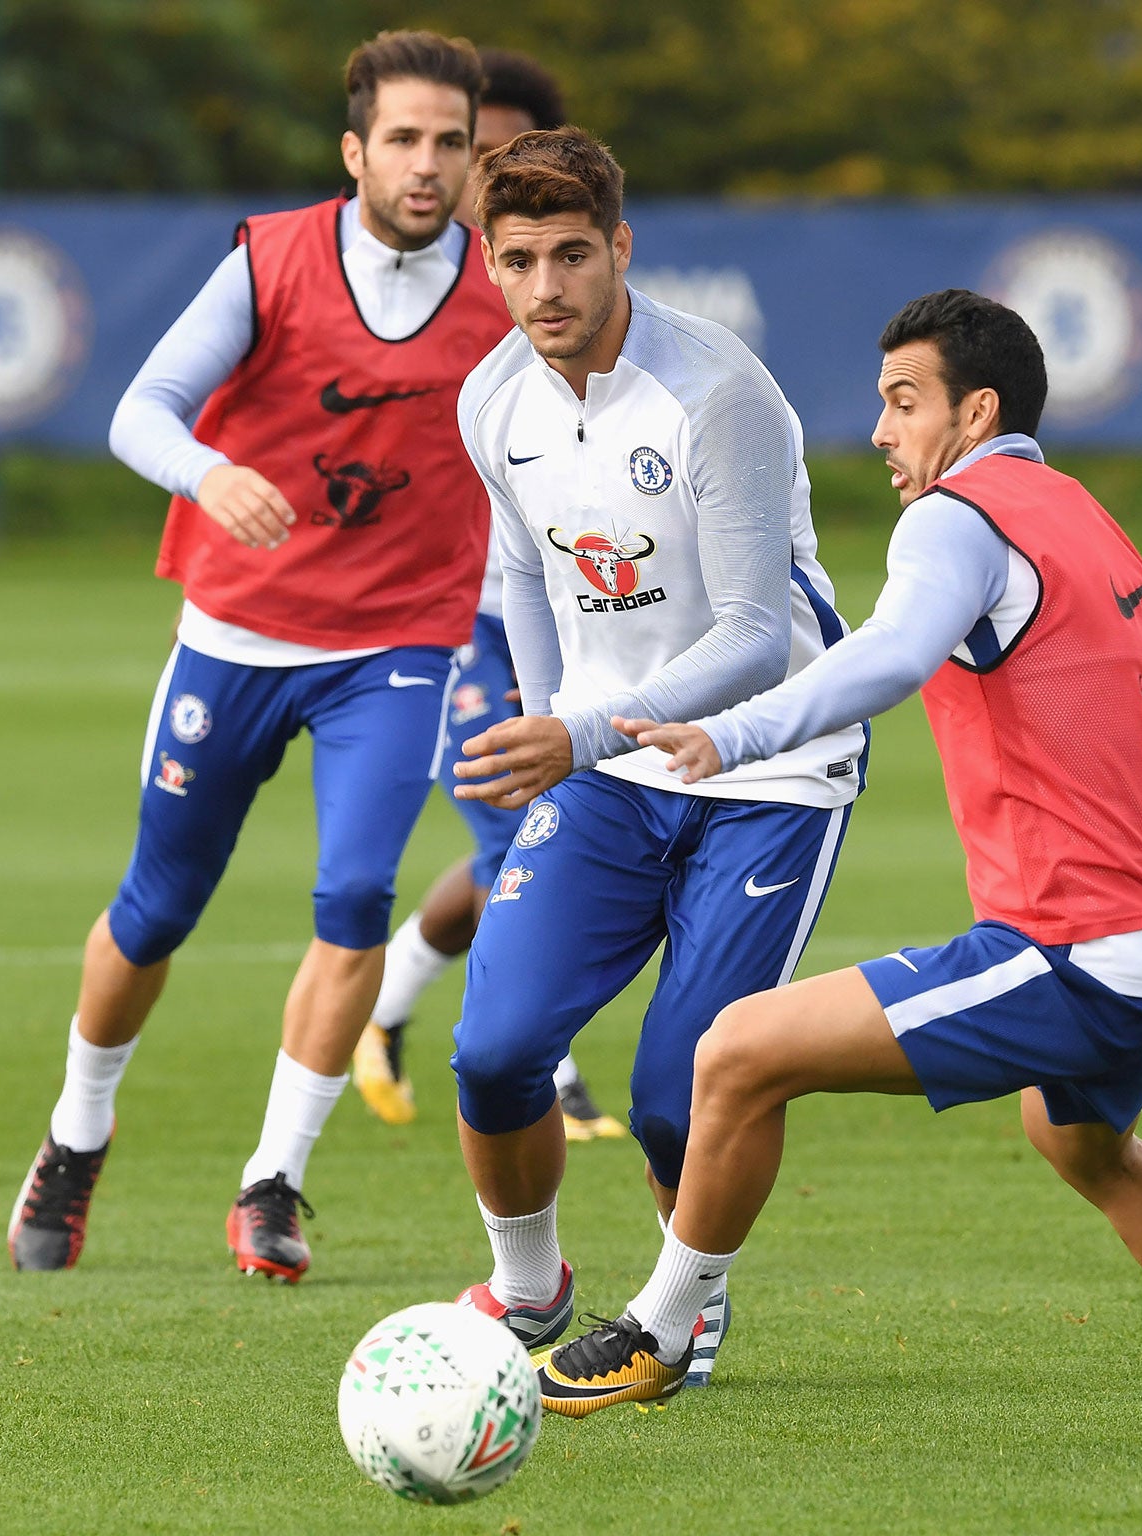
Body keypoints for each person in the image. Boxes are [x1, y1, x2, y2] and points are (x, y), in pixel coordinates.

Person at [531, 289, 1142, 1443]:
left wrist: (731, 732)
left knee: (739, 1049)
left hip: (1078, 947)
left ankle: (659, 1333)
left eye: (903, 403)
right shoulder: (1082, 518)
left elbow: (894, 654)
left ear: (976, 411)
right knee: (1079, 1143)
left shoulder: (958, 518)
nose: (880, 432)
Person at [7, 30, 504, 1283]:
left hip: (392, 646)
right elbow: (139, 411)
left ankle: (272, 1183)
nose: (428, 163)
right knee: (155, 911)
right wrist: (212, 473)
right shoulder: (271, 257)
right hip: (232, 637)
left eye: (451, 140)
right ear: (355, 151)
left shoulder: (506, 286)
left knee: (352, 904)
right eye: (403, 139)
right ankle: (75, 1138)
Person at [447, 128, 867, 1392]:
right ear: (488, 263)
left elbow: (750, 636)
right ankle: (527, 1290)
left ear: (620, 248)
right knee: (492, 1050)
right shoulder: (491, 400)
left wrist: (572, 731)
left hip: (767, 769)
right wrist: (550, 732)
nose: (545, 290)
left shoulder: (717, 394)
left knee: (682, 1094)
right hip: (608, 776)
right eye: (516, 261)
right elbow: (521, 571)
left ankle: (679, 1309)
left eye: (572, 255)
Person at [354, 48, 624, 1143]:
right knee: (523, 835)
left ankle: (385, 1006)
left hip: (585, 620)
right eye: (469, 152)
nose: (471, 174)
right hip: (453, 620)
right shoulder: (419, 296)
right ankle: (544, 1073)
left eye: (491, 151)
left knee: (511, 845)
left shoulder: (568, 300)